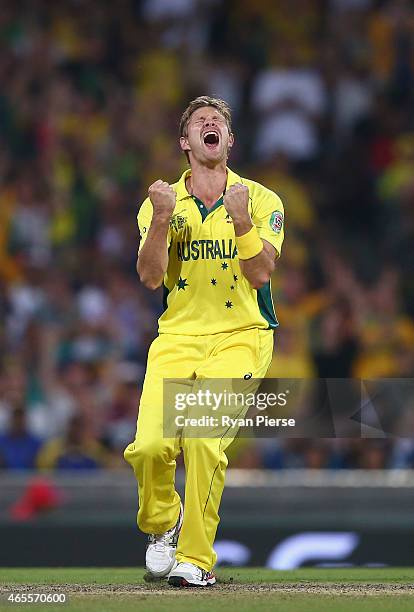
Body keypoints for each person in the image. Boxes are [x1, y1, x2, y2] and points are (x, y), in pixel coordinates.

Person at [124, 96, 284, 587]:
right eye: (200, 121)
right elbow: (151, 278)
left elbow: (261, 275)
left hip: (240, 336)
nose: (210, 124)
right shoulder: (160, 202)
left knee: (202, 439)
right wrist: (162, 219)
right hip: (177, 337)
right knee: (150, 447)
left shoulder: (261, 200)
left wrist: (240, 221)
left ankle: (196, 559)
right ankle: (161, 524)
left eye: (219, 122)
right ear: (185, 142)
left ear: (230, 141)